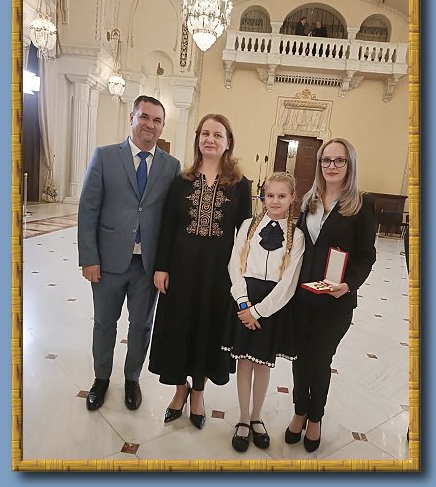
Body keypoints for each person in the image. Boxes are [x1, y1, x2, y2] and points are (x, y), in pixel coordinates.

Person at [78, 95, 181, 412]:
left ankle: (132, 378)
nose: (150, 124)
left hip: (147, 266)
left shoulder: (171, 166)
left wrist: (166, 264)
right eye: (144, 117)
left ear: (162, 126)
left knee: (141, 326)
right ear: (132, 117)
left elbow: (172, 219)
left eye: (157, 120)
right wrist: (89, 258)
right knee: (104, 324)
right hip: (108, 262)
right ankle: (101, 379)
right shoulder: (105, 156)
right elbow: (88, 209)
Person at [148, 113, 252, 429]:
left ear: (228, 142)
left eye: (217, 135)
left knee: (209, 330)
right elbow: (167, 227)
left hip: (218, 275)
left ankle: (198, 392)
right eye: (205, 133)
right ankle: (180, 390)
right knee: (179, 328)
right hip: (180, 270)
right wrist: (161, 267)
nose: (210, 139)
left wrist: (241, 277)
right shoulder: (181, 181)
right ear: (198, 139)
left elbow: (245, 236)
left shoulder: (240, 185)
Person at [285, 138, 376, 452]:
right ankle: (299, 410)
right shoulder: (308, 200)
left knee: (320, 359)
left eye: (339, 160)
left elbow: (366, 256)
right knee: (300, 357)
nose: (331, 166)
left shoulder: (361, 205)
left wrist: (348, 285)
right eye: (326, 160)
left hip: (335, 300)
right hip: (302, 296)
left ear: (350, 165)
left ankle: (315, 417)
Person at [223, 172, 305, 452]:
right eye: (270, 195)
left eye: (282, 196)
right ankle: (243, 419)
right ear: (262, 196)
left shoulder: (297, 236)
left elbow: (289, 282)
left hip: (271, 305)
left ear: (292, 198)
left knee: (261, 363)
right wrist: (243, 304)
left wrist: (258, 312)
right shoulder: (248, 225)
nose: (275, 201)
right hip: (244, 299)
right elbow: (235, 266)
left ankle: (257, 416)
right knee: (244, 362)